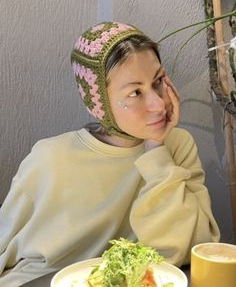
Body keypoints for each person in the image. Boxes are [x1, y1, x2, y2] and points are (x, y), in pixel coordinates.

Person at [0, 21, 220, 286]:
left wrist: (155, 151)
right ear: (99, 104)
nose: (159, 103)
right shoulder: (50, 158)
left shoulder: (177, 146)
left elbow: (189, 250)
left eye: (159, 81)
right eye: (135, 92)